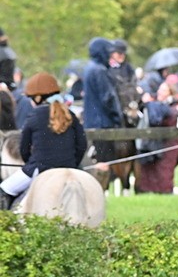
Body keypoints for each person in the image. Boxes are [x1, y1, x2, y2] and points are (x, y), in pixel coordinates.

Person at [0, 72, 87, 211]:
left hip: (39, 168)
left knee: (4, 189)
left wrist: (31, 162)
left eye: (31, 98)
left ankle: (6, 222)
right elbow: (82, 145)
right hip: (69, 167)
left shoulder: (34, 116)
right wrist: (72, 164)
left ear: (38, 97)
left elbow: (24, 148)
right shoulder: (70, 115)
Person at [82, 37, 123, 167]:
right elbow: (108, 98)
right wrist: (118, 118)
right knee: (105, 164)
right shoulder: (99, 71)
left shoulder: (90, 68)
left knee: (99, 162)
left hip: (93, 122)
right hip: (103, 123)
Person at [134, 81, 178, 195]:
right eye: (160, 89)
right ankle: (147, 194)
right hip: (153, 144)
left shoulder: (172, 106)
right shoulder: (155, 104)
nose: (160, 92)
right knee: (149, 171)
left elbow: (162, 120)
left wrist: (150, 104)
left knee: (163, 173)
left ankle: (164, 194)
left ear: (170, 93)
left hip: (168, 144)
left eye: (164, 90)